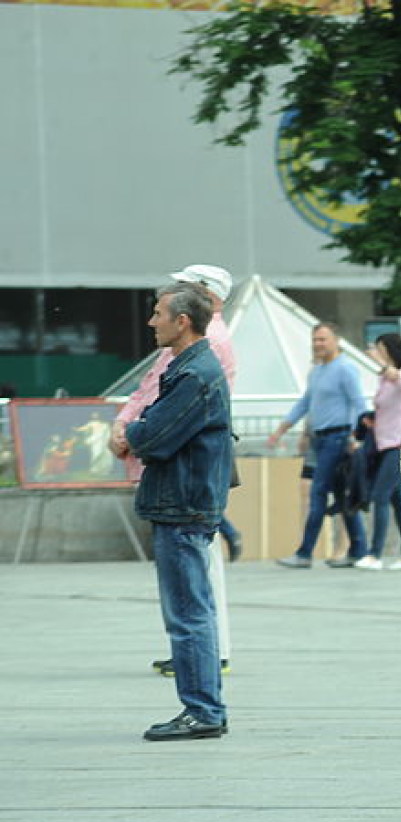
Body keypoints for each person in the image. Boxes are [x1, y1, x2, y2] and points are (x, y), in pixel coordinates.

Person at [111, 283, 232, 740]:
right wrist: (136, 430)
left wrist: (129, 432)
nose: (151, 321)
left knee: (187, 612)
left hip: (183, 505)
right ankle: (204, 707)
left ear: (183, 321)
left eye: (158, 313)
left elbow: (156, 436)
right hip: (180, 501)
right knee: (190, 609)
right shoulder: (186, 367)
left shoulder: (196, 373)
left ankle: (202, 711)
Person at [269, 322, 368, 568]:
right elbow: (305, 403)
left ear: (336, 341)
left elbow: (359, 404)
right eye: (315, 339)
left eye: (323, 339)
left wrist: (359, 437)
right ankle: (359, 550)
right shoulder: (317, 371)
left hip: (338, 439)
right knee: (342, 498)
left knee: (318, 493)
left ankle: (304, 554)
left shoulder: (346, 369)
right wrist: (282, 429)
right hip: (319, 440)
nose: (318, 344)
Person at [355, 332, 401, 571]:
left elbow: (399, 380)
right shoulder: (384, 379)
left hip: (399, 443)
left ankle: (375, 554)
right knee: (397, 500)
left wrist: (380, 363)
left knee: (380, 496)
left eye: (381, 348)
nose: (378, 353)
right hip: (384, 442)